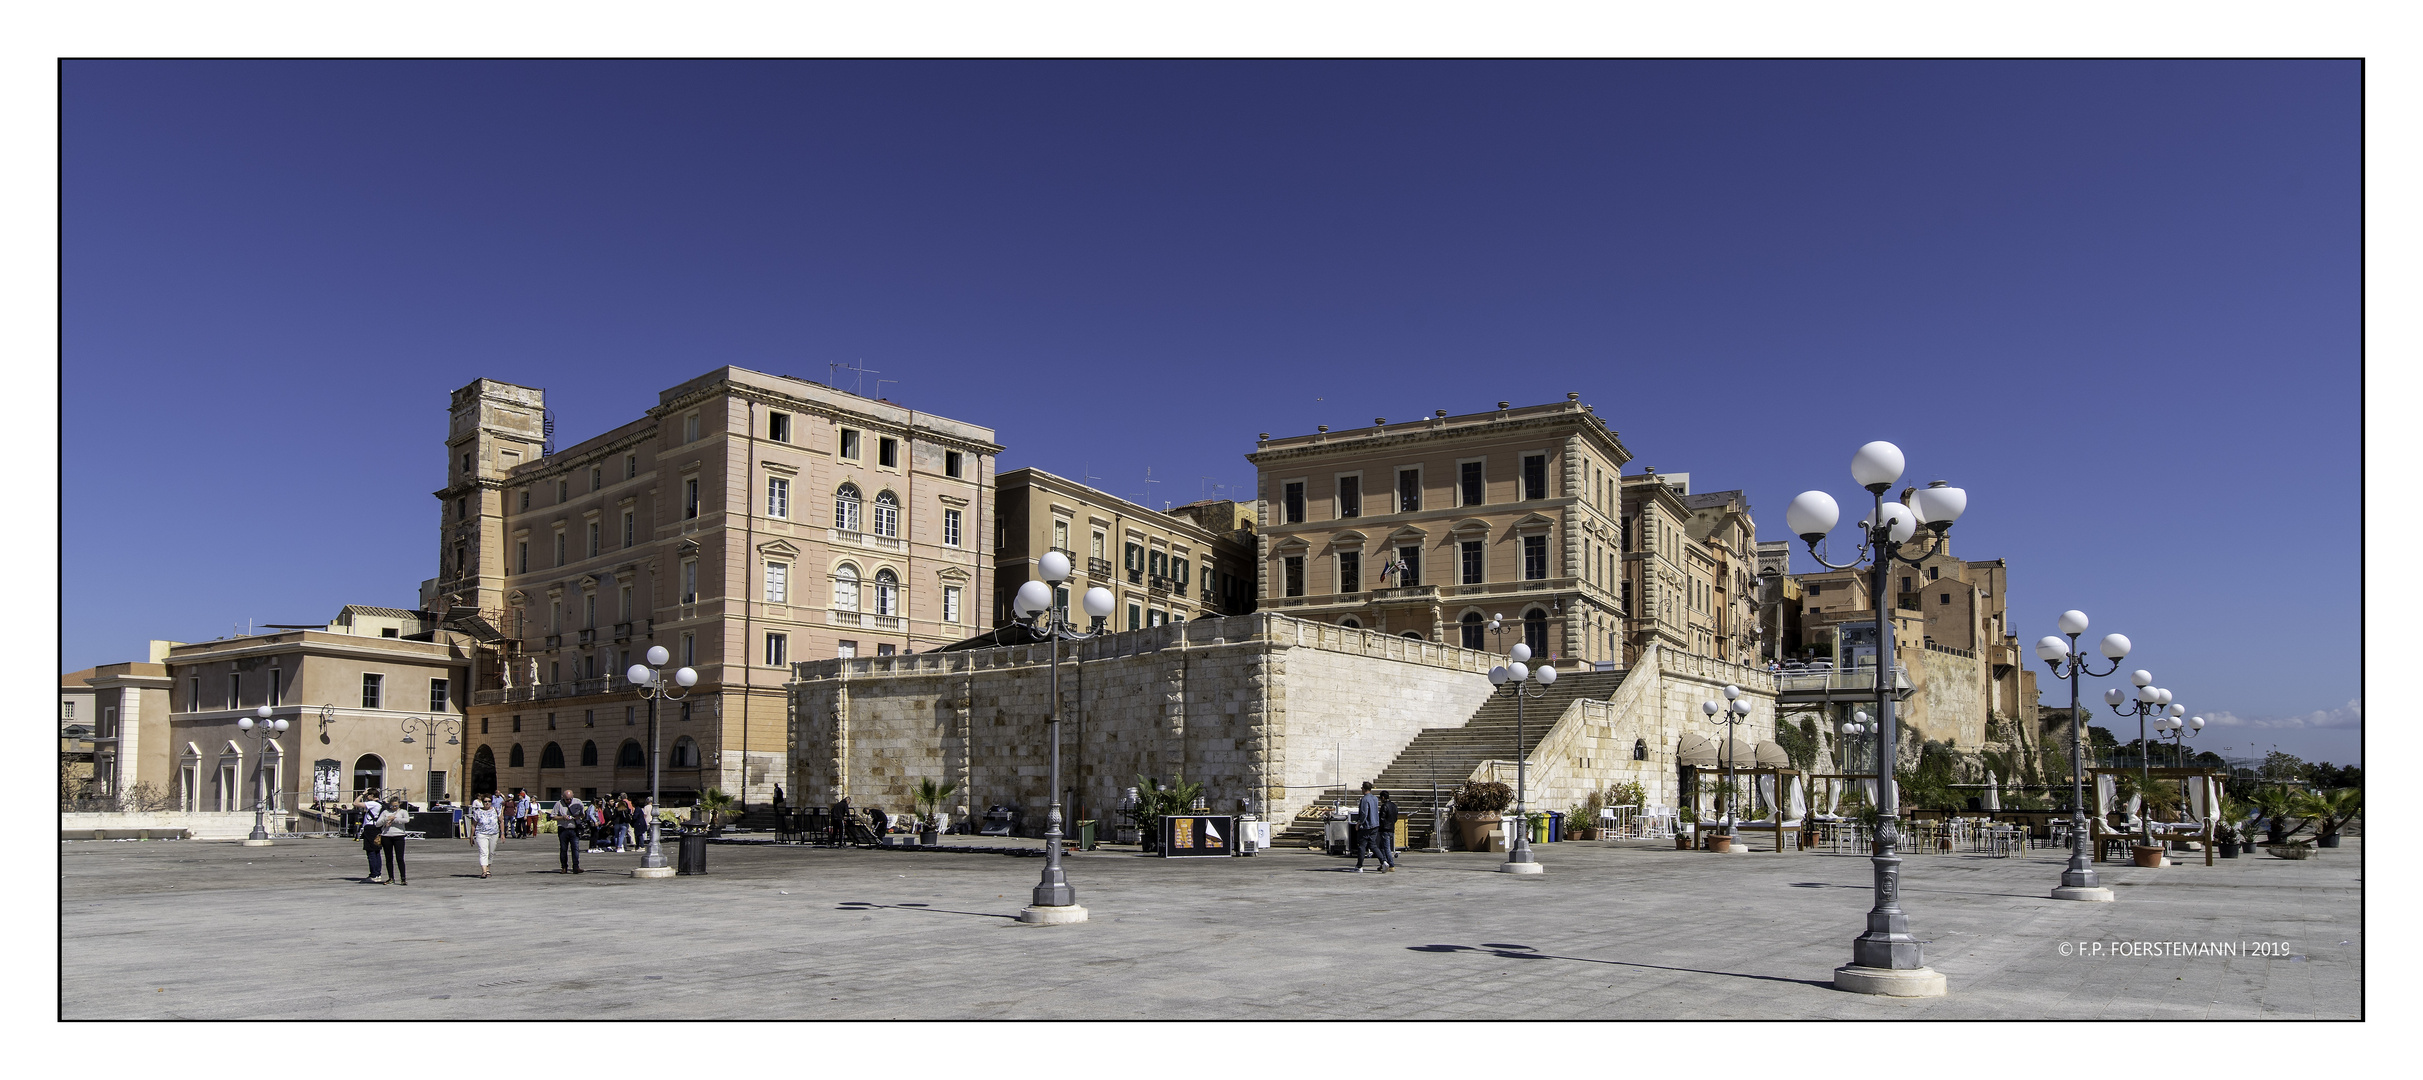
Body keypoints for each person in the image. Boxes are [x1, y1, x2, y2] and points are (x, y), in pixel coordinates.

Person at [378, 799, 414, 885]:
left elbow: (406, 820)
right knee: (389, 858)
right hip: (386, 836)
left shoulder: (403, 812)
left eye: (396, 806)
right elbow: (377, 823)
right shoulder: (385, 812)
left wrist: (395, 819)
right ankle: (391, 877)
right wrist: (386, 819)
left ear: (399, 805)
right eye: (392, 806)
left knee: (400, 858)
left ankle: (403, 878)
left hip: (399, 835)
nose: (394, 808)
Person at [467, 794, 501, 878]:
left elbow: (501, 821)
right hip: (481, 834)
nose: (487, 803)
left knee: (491, 852)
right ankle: (484, 871)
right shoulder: (477, 812)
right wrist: (471, 836)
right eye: (485, 801)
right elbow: (473, 825)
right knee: (483, 852)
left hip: (494, 833)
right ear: (482, 802)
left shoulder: (495, 810)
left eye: (489, 801)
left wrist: (503, 833)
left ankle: (488, 868)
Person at [554, 789, 587, 873]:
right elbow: (553, 816)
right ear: (563, 797)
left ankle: (576, 867)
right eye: (566, 799)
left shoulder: (578, 802)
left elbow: (583, 815)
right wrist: (562, 817)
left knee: (575, 849)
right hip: (563, 829)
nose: (568, 801)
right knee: (563, 849)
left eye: (570, 799)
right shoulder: (559, 804)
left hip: (574, 828)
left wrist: (578, 816)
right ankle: (564, 867)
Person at [1352, 781, 1383, 872]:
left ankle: (1359, 866)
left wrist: (1359, 823)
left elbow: (1364, 813)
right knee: (1373, 845)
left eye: (1362, 788)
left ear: (1364, 789)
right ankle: (1383, 861)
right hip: (1375, 824)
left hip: (1367, 826)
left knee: (1362, 846)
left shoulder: (1364, 799)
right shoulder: (1375, 798)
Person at [356, 793, 385, 882]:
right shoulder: (380, 804)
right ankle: (377, 874)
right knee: (376, 852)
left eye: (368, 795)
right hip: (376, 828)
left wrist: (362, 794)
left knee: (371, 852)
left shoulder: (373, 803)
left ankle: (374, 875)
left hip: (370, 829)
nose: (366, 797)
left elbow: (355, 803)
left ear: (372, 795)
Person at [1374, 791, 1400, 873]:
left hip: (1384, 829)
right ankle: (1384, 863)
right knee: (1382, 847)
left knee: (1386, 848)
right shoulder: (1394, 806)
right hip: (1391, 828)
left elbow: (1381, 818)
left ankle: (1391, 865)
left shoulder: (1384, 806)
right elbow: (1395, 818)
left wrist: (1379, 825)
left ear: (1383, 797)